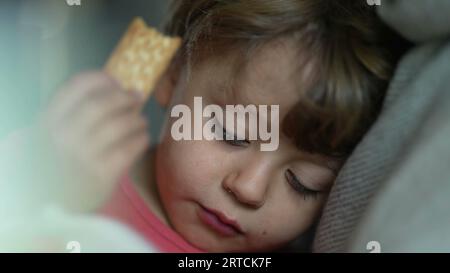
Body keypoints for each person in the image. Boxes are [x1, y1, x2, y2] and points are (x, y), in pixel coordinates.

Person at [24, 0, 406, 252]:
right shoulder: (55, 162)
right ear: (171, 77)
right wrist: (50, 193)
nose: (249, 188)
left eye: (304, 183)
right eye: (232, 133)